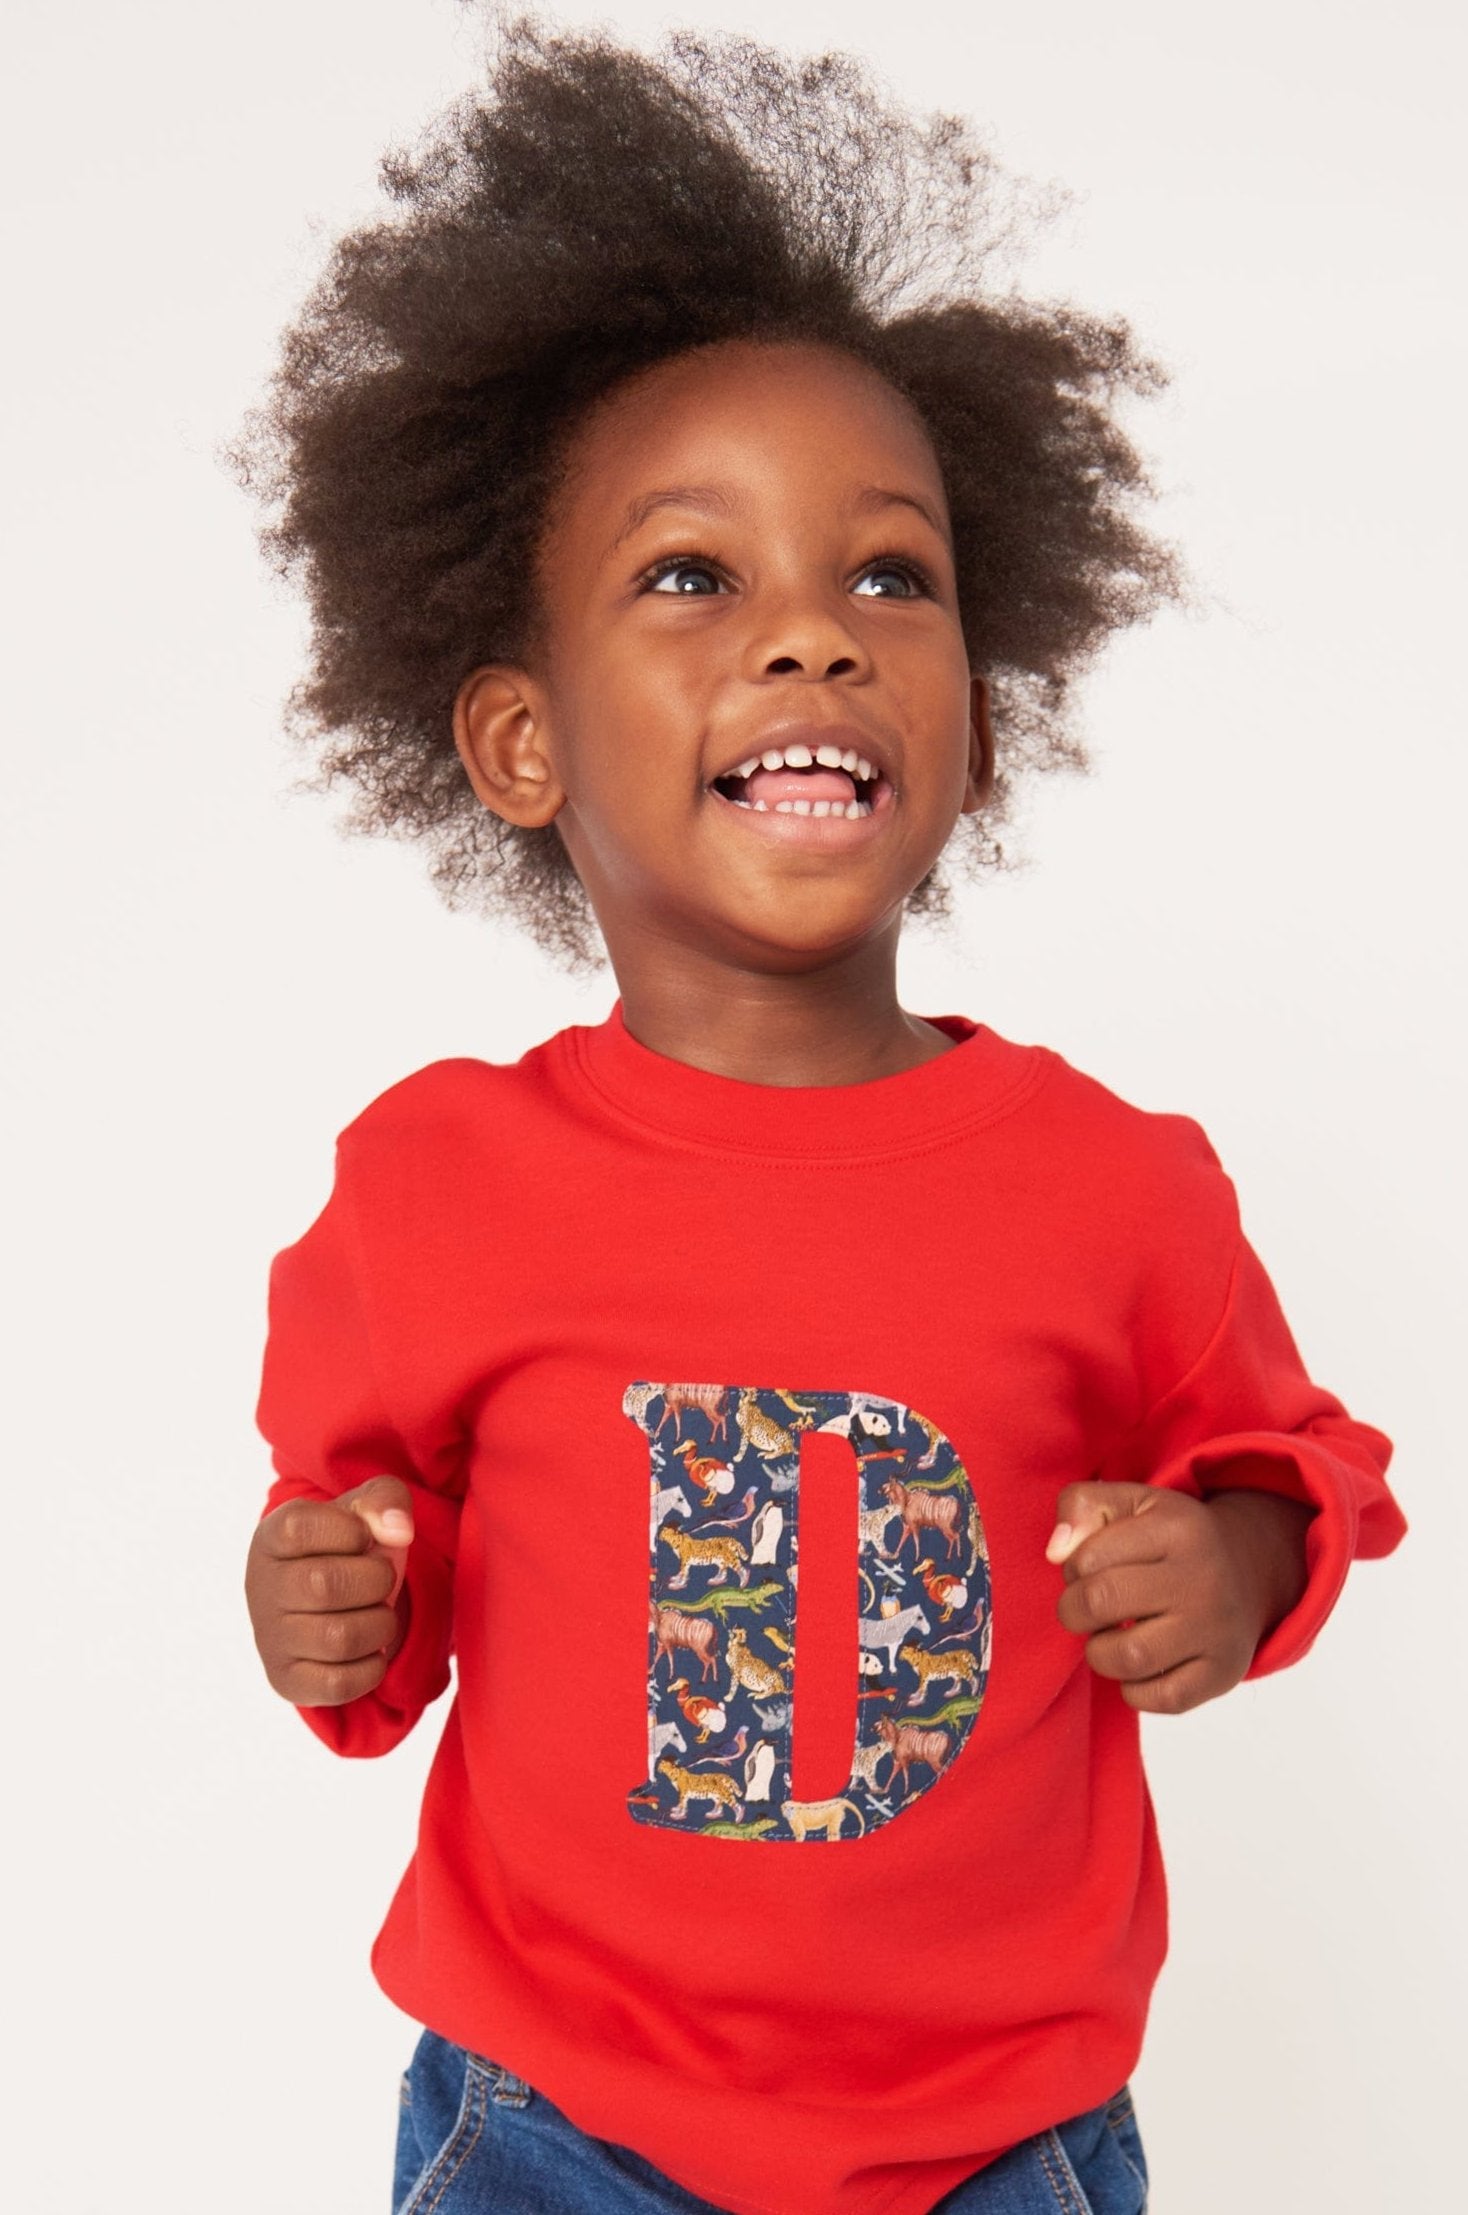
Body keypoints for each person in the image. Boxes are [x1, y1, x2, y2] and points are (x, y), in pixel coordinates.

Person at [239, 18, 1407, 2214]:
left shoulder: (1110, 1186)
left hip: (997, 2148)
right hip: (552, 2130)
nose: (811, 641)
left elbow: (1298, 1469)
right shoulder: (431, 1185)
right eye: (694, 578)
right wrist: (324, 1602)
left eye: (890, 576)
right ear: (515, 740)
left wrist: (1235, 1556)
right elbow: (367, 1554)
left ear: (977, 702)